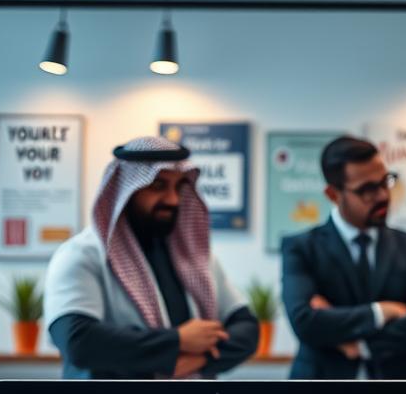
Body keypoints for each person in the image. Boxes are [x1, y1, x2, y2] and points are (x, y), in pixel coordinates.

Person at [44, 136, 258, 379]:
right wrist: (178, 341)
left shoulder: (197, 258)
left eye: (178, 187)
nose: (172, 199)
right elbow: (78, 341)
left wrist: (200, 360)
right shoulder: (82, 255)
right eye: (158, 186)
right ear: (126, 190)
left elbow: (247, 330)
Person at [281, 136, 406, 379]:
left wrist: (361, 345)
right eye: (367, 189)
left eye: (385, 182)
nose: (382, 196)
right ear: (333, 194)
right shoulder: (301, 247)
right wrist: (381, 312)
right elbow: (305, 322)